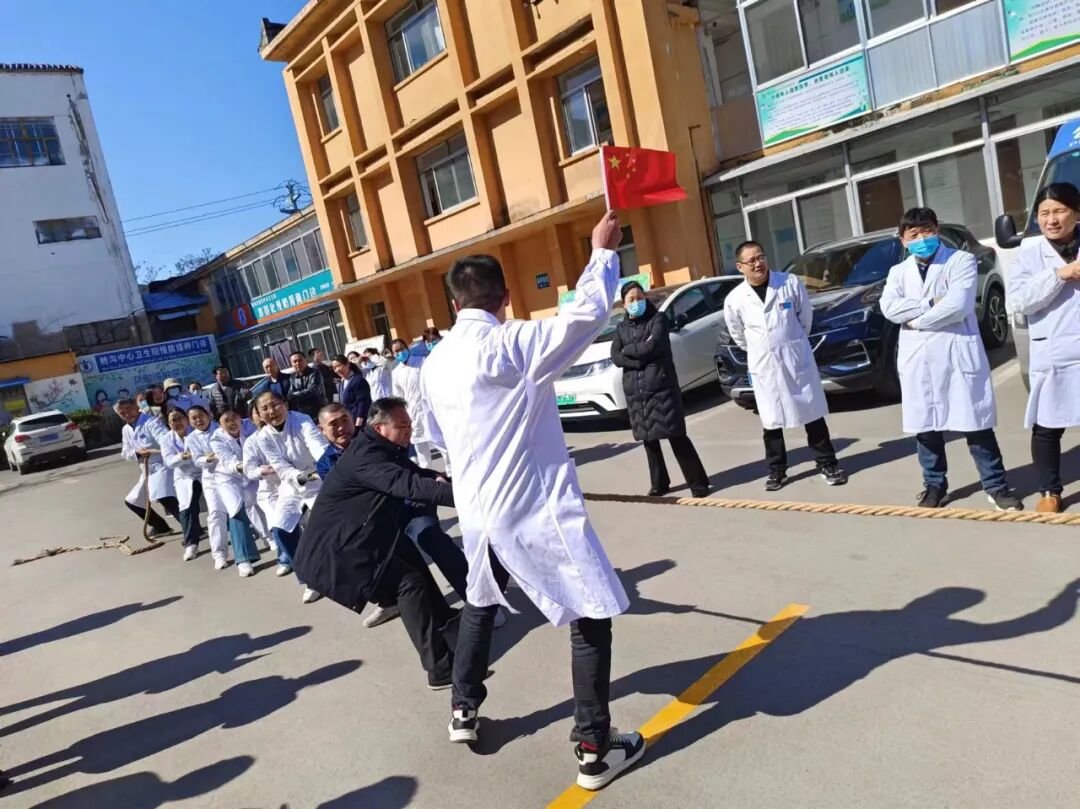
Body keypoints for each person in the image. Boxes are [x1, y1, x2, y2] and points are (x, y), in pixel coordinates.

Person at [420, 211, 645, 790]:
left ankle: (463, 707)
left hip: (476, 513)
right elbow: (585, 316)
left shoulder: (434, 364)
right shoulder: (510, 343)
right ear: (505, 297)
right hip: (530, 510)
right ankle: (595, 748)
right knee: (591, 612)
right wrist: (602, 253)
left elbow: (436, 437)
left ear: (453, 303)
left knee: (479, 603)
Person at [295, 398, 458, 688]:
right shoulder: (366, 457)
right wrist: (467, 499)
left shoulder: (379, 447)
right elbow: (409, 485)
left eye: (409, 424)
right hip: (339, 552)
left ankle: (442, 617)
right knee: (408, 583)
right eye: (402, 425)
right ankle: (441, 669)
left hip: (360, 536)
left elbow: (413, 473)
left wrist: (445, 479)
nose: (408, 430)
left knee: (407, 551)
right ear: (380, 427)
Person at [881, 207, 1022, 512]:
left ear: (937, 230)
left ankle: (996, 486)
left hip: (957, 354)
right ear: (903, 239)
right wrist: (930, 302)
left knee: (976, 426)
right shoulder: (897, 273)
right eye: (914, 234)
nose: (922, 239)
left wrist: (915, 320)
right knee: (927, 429)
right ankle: (934, 485)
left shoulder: (961, 261)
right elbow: (889, 309)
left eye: (927, 231)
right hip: (919, 360)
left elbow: (958, 306)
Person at [314, 402, 473, 629]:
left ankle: (478, 601)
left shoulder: (376, 438)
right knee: (383, 559)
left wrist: (436, 478)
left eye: (344, 420)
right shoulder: (325, 464)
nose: (341, 427)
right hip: (379, 519)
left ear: (352, 418)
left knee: (430, 537)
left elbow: (407, 471)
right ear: (321, 430)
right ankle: (405, 606)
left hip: (409, 504)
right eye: (333, 424)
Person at [723, 241, 849, 491]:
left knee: (812, 414)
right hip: (765, 366)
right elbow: (737, 334)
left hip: (795, 360)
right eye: (751, 261)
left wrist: (790, 344)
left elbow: (805, 318)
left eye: (761, 257)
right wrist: (762, 348)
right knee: (771, 421)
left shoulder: (789, 283)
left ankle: (828, 464)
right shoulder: (735, 299)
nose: (758, 263)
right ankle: (777, 471)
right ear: (740, 267)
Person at [1005, 182, 1080, 513]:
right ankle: (1050, 491)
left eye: (1060, 211)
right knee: (1048, 425)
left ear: (1076, 214)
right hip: (1054, 352)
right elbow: (1020, 301)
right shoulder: (1029, 254)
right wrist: (1061, 274)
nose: (1052, 219)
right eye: (1044, 213)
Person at [611, 281, 710, 498]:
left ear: (645, 298)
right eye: (631, 299)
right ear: (624, 304)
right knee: (649, 440)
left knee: (676, 435)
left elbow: (653, 346)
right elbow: (616, 356)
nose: (636, 302)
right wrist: (637, 356)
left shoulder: (658, 319)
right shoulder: (621, 328)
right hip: (636, 392)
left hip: (661, 387)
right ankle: (659, 483)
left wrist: (630, 352)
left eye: (639, 297)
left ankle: (698, 483)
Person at [254, 390, 329, 604]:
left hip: (318, 477)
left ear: (285, 404)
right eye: (265, 408)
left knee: (325, 524)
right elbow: (279, 465)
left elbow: (317, 444)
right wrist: (297, 476)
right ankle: (310, 579)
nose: (272, 411)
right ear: (259, 414)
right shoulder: (263, 437)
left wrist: (325, 462)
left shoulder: (301, 420)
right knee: (281, 529)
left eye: (275, 404)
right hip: (292, 483)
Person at [210, 410, 264, 577]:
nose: (232, 423)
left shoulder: (250, 426)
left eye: (235, 417)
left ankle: (275, 540)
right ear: (220, 424)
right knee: (236, 511)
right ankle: (243, 560)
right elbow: (229, 462)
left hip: (254, 474)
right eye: (226, 420)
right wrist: (251, 468)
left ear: (241, 418)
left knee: (268, 501)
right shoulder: (216, 438)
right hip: (228, 478)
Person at [115, 398, 179, 539]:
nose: (127, 414)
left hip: (162, 466)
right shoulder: (126, 429)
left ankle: (194, 530)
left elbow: (165, 439)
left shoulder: (151, 422)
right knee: (133, 501)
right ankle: (161, 527)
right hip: (147, 470)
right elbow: (125, 452)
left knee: (163, 496)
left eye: (129, 409)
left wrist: (154, 449)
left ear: (136, 407)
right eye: (122, 413)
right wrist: (138, 453)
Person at [184, 405, 231, 570]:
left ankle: (268, 538)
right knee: (215, 513)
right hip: (211, 478)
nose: (198, 420)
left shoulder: (220, 428)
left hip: (231, 474)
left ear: (209, 415)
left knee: (245, 507)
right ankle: (219, 554)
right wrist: (207, 459)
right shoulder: (191, 438)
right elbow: (197, 460)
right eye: (193, 418)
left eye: (200, 416)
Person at [242, 408, 283, 571]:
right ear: (251, 418)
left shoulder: (283, 433)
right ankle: (285, 560)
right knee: (278, 524)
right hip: (268, 487)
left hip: (292, 482)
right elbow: (249, 470)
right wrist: (261, 470)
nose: (261, 416)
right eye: (256, 413)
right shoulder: (251, 442)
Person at [159, 409, 203, 559]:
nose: (177, 423)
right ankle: (191, 544)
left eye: (180, 418)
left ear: (186, 419)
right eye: (173, 420)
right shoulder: (166, 439)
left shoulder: (196, 432)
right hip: (184, 476)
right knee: (187, 507)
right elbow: (169, 462)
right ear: (168, 424)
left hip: (205, 472)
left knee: (221, 502)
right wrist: (181, 457)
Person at [390, 339, 435, 469]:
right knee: (420, 445)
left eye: (401, 349)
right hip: (412, 412)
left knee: (439, 440)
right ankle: (427, 473)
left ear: (407, 348)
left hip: (429, 407)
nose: (400, 352)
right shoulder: (396, 372)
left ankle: (449, 471)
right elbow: (398, 396)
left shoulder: (421, 361)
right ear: (393, 354)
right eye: (396, 351)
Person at [331, 355, 371, 428]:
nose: (337, 370)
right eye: (334, 368)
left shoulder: (358, 381)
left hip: (359, 423)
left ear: (347, 364)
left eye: (339, 366)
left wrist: (358, 424)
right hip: (348, 422)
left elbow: (363, 403)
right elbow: (337, 401)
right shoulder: (341, 383)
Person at [286, 350, 327, 420]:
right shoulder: (292, 377)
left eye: (300, 360)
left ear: (306, 360)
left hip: (318, 411)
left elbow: (313, 391)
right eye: (295, 361)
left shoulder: (315, 372)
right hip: (302, 414)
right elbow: (290, 395)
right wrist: (298, 395)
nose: (298, 363)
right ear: (291, 364)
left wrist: (295, 395)